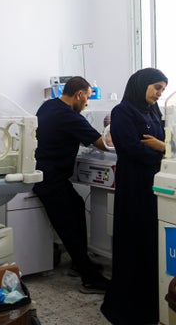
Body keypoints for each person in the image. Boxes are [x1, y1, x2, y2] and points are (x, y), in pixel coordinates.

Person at [101, 68, 168, 325]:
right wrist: (161, 154)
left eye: (163, 89)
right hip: (134, 185)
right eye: (157, 87)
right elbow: (130, 148)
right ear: (142, 85)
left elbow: (162, 140)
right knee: (134, 240)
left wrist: (162, 149)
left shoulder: (153, 110)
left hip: (155, 182)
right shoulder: (123, 112)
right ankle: (128, 307)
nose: (160, 93)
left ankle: (151, 303)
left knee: (151, 241)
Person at [33, 76, 109, 294]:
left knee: (76, 207)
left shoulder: (48, 106)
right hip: (51, 178)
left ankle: (80, 262)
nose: (87, 102)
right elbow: (102, 143)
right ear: (79, 94)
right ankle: (89, 278)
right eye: (87, 97)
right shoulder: (71, 117)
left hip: (42, 172)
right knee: (69, 226)